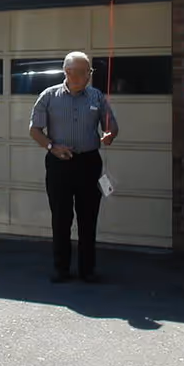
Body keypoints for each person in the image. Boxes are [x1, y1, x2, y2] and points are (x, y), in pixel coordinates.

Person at [29, 51, 118, 284]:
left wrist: (110, 134)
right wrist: (51, 146)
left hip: (89, 163)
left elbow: (111, 125)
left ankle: (87, 270)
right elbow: (34, 130)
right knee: (61, 217)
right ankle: (61, 269)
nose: (85, 77)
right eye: (80, 72)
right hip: (60, 163)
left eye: (88, 72)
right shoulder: (49, 97)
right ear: (67, 72)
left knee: (88, 218)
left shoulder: (96, 96)